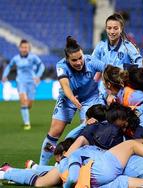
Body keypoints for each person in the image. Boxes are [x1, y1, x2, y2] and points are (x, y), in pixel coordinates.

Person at [0, 140, 143, 188]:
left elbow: (71, 174)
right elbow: (72, 175)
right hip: (97, 172)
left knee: (46, 179)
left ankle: (22, 169)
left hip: (99, 173)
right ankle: (7, 172)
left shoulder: (76, 157)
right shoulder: (79, 156)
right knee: (43, 181)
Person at [39, 36, 107, 165]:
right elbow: (65, 85)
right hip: (68, 98)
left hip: (89, 98)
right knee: (55, 132)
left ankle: (78, 163)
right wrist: (73, 100)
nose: (79, 62)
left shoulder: (90, 60)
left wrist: (108, 88)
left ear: (83, 54)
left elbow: (109, 69)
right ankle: (41, 166)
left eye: (80, 58)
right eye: (74, 60)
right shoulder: (61, 65)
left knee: (88, 131)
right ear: (67, 59)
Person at [1, 39, 45, 130]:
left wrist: (38, 76)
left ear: (28, 48)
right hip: (20, 82)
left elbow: (41, 66)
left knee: (29, 104)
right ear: (19, 48)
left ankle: (25, 110)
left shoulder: (33, 57)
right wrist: (4, 75)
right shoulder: (16, 58)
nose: (24, 49)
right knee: (23, 101)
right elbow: (9, 66)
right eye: (22, 47)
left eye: (26, 47)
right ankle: (27, 123)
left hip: (32, 82)